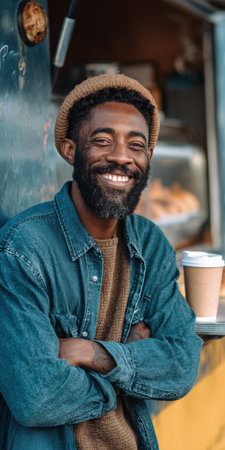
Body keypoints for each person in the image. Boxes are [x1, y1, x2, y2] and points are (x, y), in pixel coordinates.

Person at [0, 74, 202, 450]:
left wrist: (92, 352)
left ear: (148, 157)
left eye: (136, 145)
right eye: (102, 140)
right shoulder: (23, 248)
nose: (122, 156)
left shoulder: (151, 244)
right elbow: (35, 397)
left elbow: (183, 364)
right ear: (69, 149)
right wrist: (126, 363)